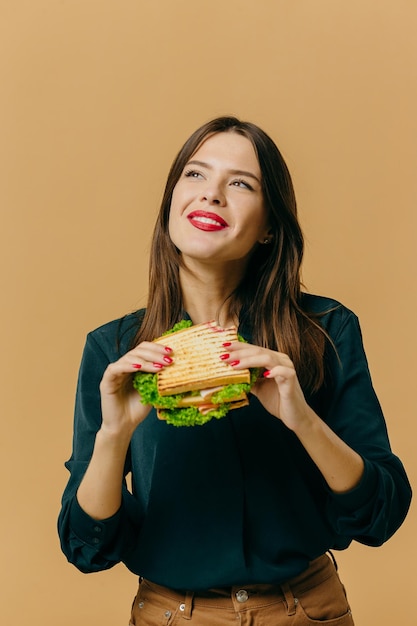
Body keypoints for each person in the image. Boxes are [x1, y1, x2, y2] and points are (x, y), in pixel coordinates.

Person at [58, 116, 411, 625]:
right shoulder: (115, 350)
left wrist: (303, 419)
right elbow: (87, 545)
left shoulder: (326, 331)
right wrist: (114, 434)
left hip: (305, 610)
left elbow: (381, 512)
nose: (212, 195)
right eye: (196, 175)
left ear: (270, 225)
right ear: (170, 203)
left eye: (240, 183)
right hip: (172, 615)